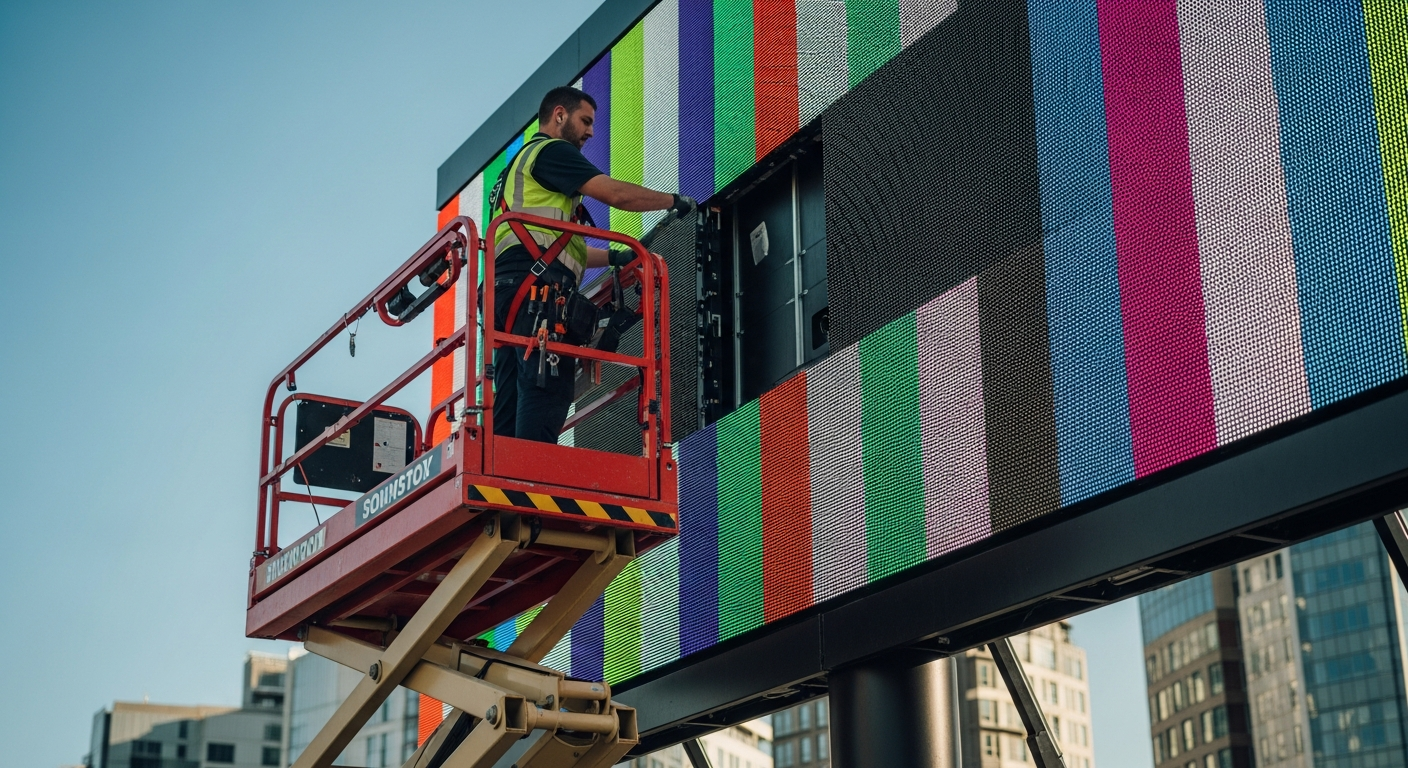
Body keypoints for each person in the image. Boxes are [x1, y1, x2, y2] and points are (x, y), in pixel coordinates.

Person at [489, 85, 696, 444]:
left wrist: (615, 257)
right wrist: (673, 200)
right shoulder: (552, 151)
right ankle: (529, 486)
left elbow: (552, 247)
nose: (590, 132)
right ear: (559, 115)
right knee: (545, 398)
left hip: (507, 298)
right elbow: (616, 195)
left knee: (508, 415)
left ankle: (498, 487)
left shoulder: (515, 172)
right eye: (585, 121)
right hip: (538, 299)